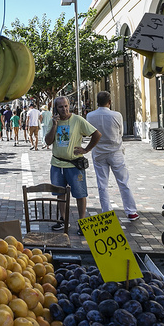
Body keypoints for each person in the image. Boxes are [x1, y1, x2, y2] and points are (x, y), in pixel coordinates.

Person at [45, 96, 101, 233]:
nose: (64, 109)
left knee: (80, 194)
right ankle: (63, 219)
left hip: (74, 165)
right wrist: (54, 125)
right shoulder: (54, 121)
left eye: (66, 106)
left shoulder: (78, 120)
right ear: (55, 109)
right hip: (57, 164)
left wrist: (86, 149)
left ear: (69, 106)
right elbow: (48, 141)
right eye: (60, 107)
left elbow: (97, 134)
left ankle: (82, 222)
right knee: (59, 193)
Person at [85, 92, 139, 221]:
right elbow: (120, 133)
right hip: (115, 152)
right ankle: (131, 211)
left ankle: (106, 211)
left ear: (97, 101)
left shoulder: (90, 116)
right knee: (123, 182)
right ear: (109, 101)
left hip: (98, 153)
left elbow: (89, 134)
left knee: (102, 183)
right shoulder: (116, 115)